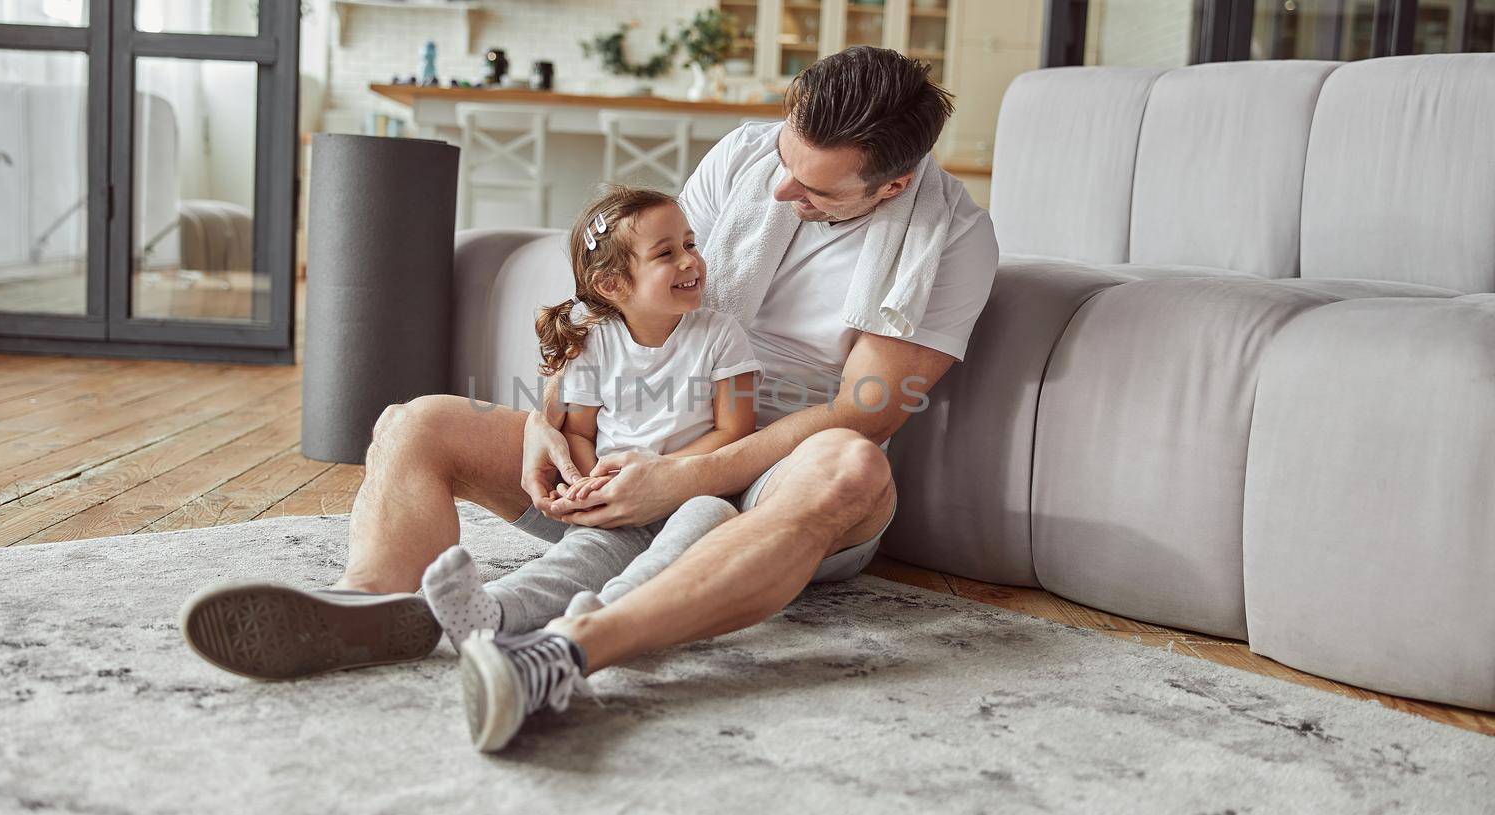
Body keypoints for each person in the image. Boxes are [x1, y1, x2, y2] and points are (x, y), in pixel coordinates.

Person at [180, 46, 1000, 753]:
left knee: (852, 466)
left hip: (772, 480)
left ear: (890, 188)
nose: (783, 189)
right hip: (643, 432)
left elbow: (867, 411)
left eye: (816, 190)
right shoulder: (748, 157)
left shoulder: (950, 241)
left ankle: (569, 648)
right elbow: (628, 302)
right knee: (417, 423)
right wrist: (547, 419)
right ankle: (375, 610)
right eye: (785, 160)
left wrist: (684, 477)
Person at [421, 186, 761, 678]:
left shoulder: (720, 335)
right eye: (667, 253)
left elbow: (736, 431)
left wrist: (665, 473)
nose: (691, 262)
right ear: (611, 284)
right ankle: (492, 611)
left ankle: (608, 615)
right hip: (620, 501)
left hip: (693, 491)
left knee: (708, 517)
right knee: (583, 555)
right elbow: (578, 434)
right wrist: (587, 483)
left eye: (691, 244)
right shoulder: (596, 342)